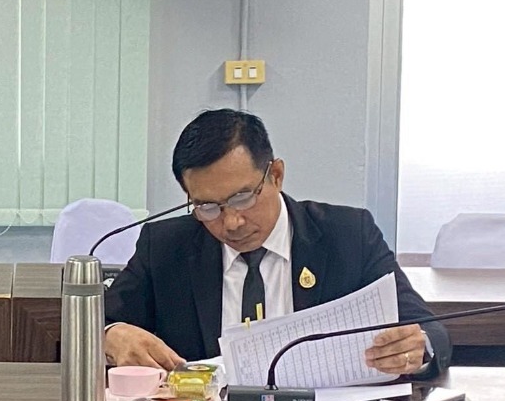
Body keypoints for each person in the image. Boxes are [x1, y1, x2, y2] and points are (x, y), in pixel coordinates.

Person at [104, 108, 451, 379]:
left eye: (242, 198)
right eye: (207, 207)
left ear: (276, 175)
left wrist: (417, 348)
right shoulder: (165, 247)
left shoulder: (348, 236)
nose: (231, 222)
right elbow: (98, 323)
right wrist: (111, 335)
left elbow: (430, 330)